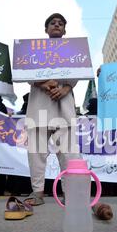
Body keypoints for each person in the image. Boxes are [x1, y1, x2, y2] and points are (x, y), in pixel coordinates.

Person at [23, 13, 81, 206]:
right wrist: (43, 82)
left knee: (68, 153)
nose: (56, 25)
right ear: (46, 29)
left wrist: (65, 88)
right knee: (36, 152)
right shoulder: (33, 50)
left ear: (65, 30)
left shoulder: (73, 50)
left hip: (63, 108)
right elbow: (25, 72)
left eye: (60, 24)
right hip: (39, 106)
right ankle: (37, 192)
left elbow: (78, 72)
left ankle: (71, 193)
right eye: (52, 23)